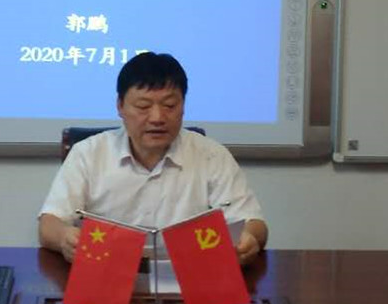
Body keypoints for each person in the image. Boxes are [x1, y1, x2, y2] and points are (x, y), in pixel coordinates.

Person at [37, 52, 268, 266]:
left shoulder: (212, 155)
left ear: (183, 105)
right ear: (120, 106)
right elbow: (50, 223)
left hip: (192, 276)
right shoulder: (88, 153)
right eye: (143, 106)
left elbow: (253, 223)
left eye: (169, 105)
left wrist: (249, 238)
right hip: (106, 274)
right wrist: (65, 237)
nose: (157, 117)